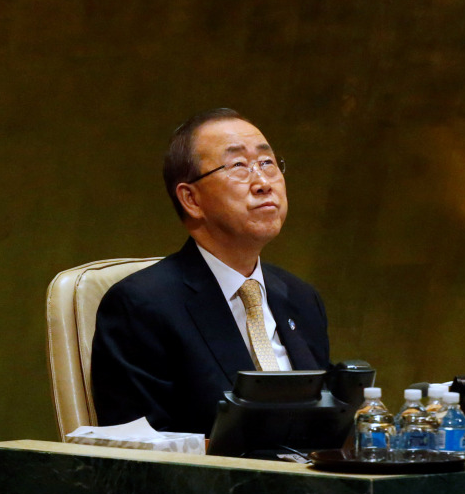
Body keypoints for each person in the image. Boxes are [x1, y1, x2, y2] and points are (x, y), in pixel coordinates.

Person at [90, 108, 329, 434]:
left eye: (267, 163)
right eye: (238, 166)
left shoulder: (301, 298)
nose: (263, 183)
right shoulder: (141, 306)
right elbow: (143, 450)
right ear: (191, 199)